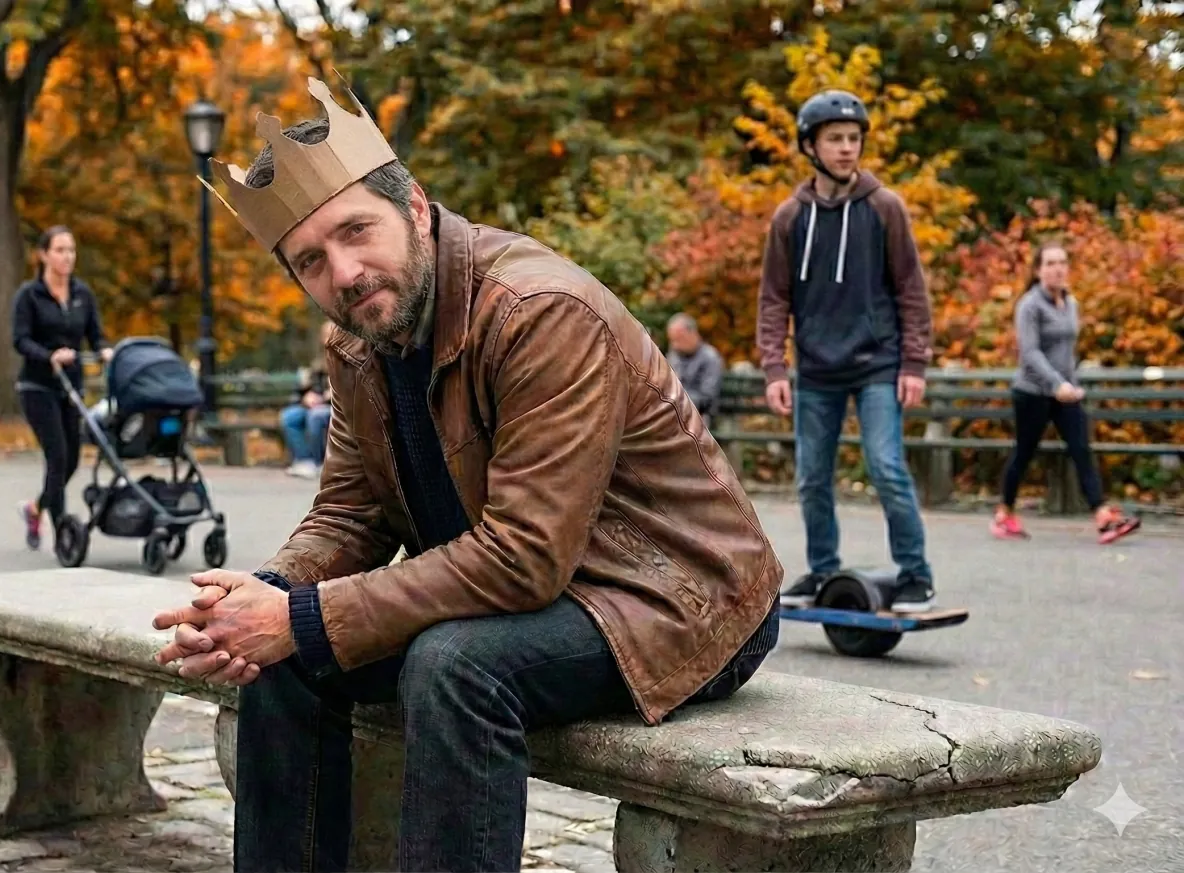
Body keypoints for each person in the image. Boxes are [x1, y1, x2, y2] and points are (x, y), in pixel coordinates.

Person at [150, 79, 783, 873]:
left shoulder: (540, 311)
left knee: (453, 665)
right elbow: (351, 515)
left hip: (681, 598)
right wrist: (263, 596)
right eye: (310, 260)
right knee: (285, 659)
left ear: (414, 206)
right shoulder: (357, 341)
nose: (344, 272)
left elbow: (523, 556)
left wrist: (304, 615)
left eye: (356, 232)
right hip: (532, 591)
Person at [756, 89, 937, 614]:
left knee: (885, 466)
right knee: (812, 477)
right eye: (834, 139)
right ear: (810, 146)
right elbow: (774, 298)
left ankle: (916, 576)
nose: (846, 148)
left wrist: (914, 362)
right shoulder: (790, 217)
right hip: (815, 369)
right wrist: (775, 367)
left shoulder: (885, 207)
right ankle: (823, 569)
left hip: (877, 363)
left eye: (853, 139)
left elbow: (910, 288)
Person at [991, 242, 1141, 544]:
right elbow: (1030, 353)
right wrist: (1055, 384)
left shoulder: (1071, 303)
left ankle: (1102, 515)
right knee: (1024, 452)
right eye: (1050, 263)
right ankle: (1004, 513)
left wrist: (1071, 384)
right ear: (1038, 270)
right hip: (1033, 392)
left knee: (1081, 449)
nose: (1058, 268)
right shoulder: (1030, 305)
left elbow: (1067, 351)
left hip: (1066, 393)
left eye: (1062, 262)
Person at [11, 225, 112, 550]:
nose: (67, 256)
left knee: (71, 461)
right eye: (60, 250)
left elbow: (95, 334)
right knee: (57, 457)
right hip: (38, 386)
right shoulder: (29, 295)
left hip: (72, 386)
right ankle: (62, 534)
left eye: (71, 250)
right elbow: (20, 339)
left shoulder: (83, 294)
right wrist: (50, 355)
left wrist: (105, 349)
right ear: (43, 255)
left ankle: (35, 508)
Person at [279, 321, 335, 479]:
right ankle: (304, 460)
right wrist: (307, 396)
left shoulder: (350, 358)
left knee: (315, 416)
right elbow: (308, 386)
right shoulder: (318, 360)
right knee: (290, 416)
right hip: (317, 404)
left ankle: (319, 462)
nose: (328, 339)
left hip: (340, 407)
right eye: (325, 335)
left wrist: (331, 395)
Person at [666, 312, 724, 426]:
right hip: (675, 410)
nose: (675, 345)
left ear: (693, 334)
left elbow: (708, 398)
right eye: (672, 340)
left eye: (679, 339)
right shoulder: (674, 356)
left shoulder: (710, 358)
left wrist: (677, 396)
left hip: (701, 413)